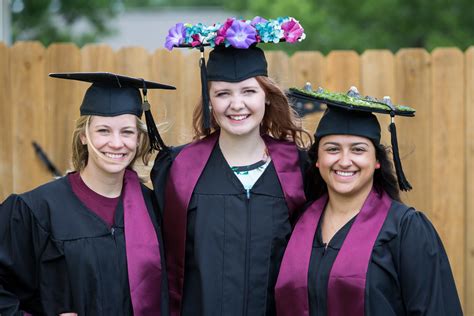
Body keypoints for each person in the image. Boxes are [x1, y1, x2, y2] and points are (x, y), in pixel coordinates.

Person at [154, 17, 309, 316]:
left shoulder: (298, 169)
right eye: (223, 93)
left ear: (266, 97)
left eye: (248, 92)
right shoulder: (178, 169)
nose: (236, 104)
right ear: (209, 100)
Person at [275, 87, 463, 315]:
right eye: (333, 149)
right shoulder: (297, 223)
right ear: (318, 160)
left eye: (358, 150)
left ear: (376, 161)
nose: (344, 161)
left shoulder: (405, 229)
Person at [0, 72, 175, 316]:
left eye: (126, 132)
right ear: (84, 135)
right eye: (104, 130)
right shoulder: (36, 210)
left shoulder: (153, 208)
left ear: (138, 139)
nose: (116, 143)